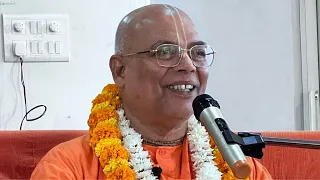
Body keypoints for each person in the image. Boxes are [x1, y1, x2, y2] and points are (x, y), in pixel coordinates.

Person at [30, 4, 272, 180]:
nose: (188, 65)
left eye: (197, 52)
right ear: (120, 70)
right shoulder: (68, 168)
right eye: (165, 52)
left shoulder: (239, 167)